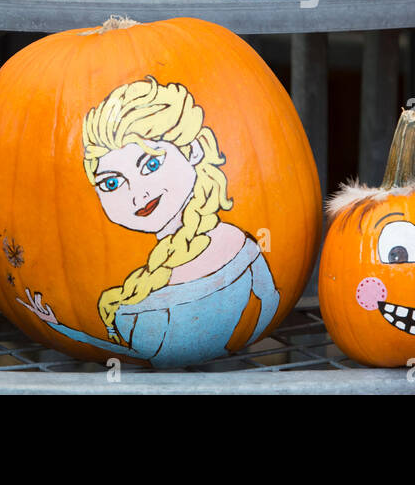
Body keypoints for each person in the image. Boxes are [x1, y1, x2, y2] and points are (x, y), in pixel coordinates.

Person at [18, 77, 279, 368]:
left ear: (193, 150)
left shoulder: (232, 248)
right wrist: (58, 325)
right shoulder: (240, 242)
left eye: (151, 164)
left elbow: (134, 354)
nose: (138, 194)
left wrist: (59, 327)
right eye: (112, 182)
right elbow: (270, 300)